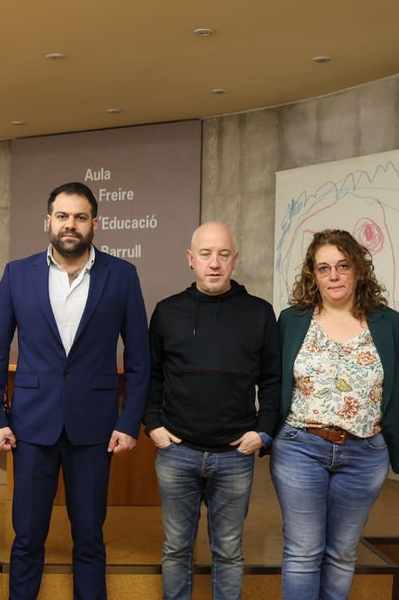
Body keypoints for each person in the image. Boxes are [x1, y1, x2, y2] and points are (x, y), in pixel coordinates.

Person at [0, 181, 151, 600]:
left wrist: (130, 422)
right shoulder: (17, 274)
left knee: (90, 537)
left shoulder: (123, 276)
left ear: (95, 223)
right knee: (27, 537)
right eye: (62, 216)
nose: (70, 225)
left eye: (79, 217)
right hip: (31, 427)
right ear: (48, 221)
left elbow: (140, 358)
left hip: (95, 429)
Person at [143, 222, 282, 600]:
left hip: (234, 456)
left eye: (223, 254)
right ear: (191, 259)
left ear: (235, 259)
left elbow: (273, 381)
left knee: (229, 552)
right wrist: (152, 424)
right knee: (175, 550)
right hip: (177, 453)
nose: (214, 263)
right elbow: (151, 376)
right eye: (205, 254)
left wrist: (263, 431)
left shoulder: (259, 313)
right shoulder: (167, 312)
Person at [272, 228, 399, 600]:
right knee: (303, 551)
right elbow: (276, 383)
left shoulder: (389, 323)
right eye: (323, 268)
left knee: (343, 552)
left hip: (365, 454)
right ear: (312, 276)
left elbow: (393, 388)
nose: (333, 275)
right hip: (301, 447)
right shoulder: (292, 320)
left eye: (342, 266)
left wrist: (389, 446)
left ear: (358, 270)